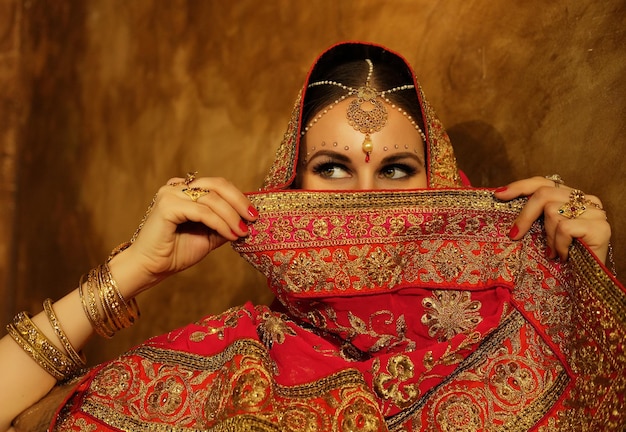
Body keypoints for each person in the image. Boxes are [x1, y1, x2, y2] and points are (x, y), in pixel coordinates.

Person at [1, 41, 624, 431]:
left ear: (444, 184)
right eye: (332, 169)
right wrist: (134, 271)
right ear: (288, 191)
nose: (365, 201)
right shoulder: (240, 366)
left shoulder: (525, 329)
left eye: (398, 171)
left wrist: (586, 298)